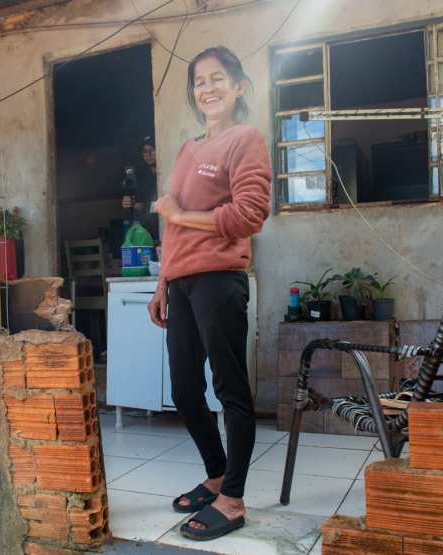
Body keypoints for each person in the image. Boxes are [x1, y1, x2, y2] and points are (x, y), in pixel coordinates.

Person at [149, 46, 271, 541]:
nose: (208, 88)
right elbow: (172, 228)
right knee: (182, 389)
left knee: (230, 389)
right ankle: (217, 473)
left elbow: (249, 216)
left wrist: (178, 215)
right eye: (200, 81)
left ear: (238, 86)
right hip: (181, 283)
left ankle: (234, 499)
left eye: (218, 78)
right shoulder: (186, 149)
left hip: (220, 279)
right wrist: (163, 281)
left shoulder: (245, 140)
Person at [122, 136, 159, 238]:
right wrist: (128, 205)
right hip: (149, 235)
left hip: (169, 232)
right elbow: (139, 210)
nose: (148, 154)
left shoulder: (169, 174)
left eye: (153, 149)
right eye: (145, 151)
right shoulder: (142, 180)